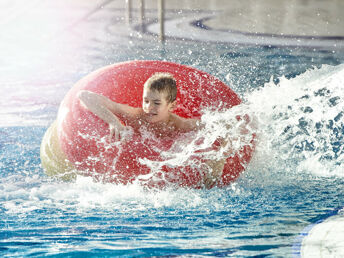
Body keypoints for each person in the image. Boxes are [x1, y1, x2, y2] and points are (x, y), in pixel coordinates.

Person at [78, 72, 225, 188]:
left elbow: (220, 128)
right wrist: (114, 122)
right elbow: (84, 96)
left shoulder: (179, 125)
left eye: (156, 103)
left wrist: (217, 164)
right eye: (146, 101)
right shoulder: (136, 117)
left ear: (171, 106)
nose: (149, 108)